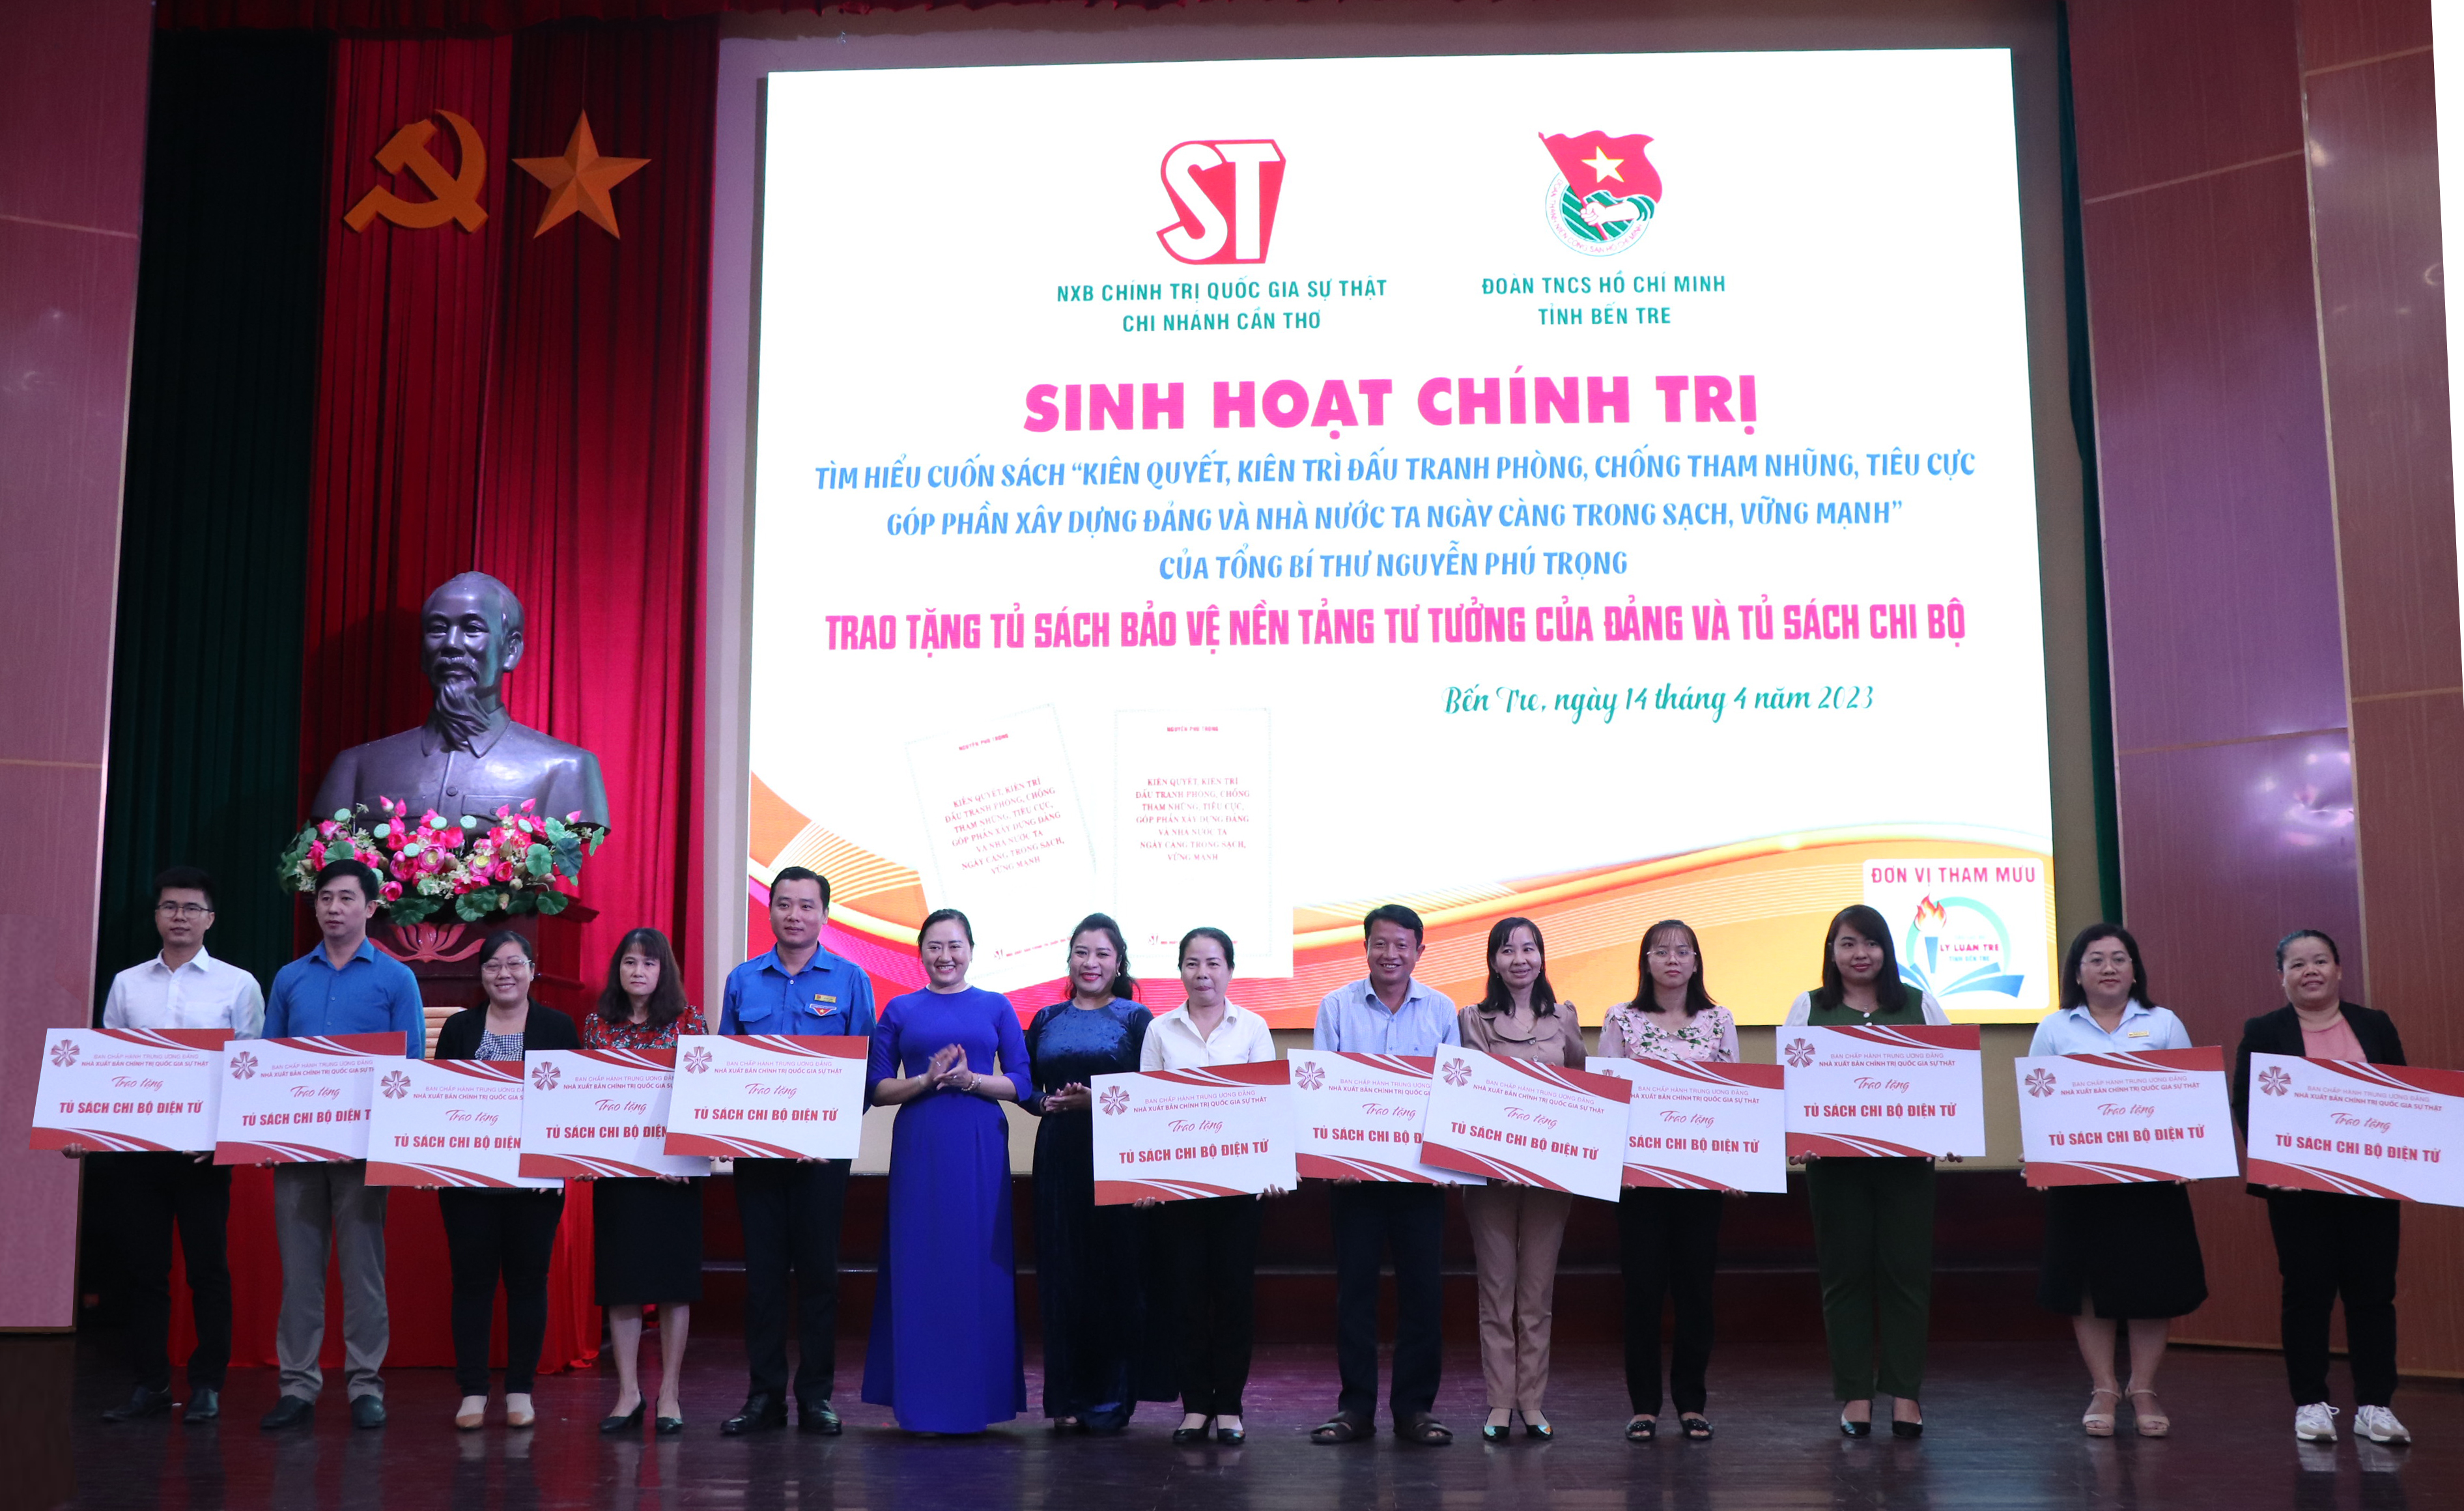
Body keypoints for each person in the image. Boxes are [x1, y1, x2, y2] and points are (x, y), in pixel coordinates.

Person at [70, 866, 264, 1424]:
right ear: (156, 916)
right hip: (137, 1155)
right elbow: (107, 1065)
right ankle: (150, 1384)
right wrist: (81, 1127)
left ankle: (207, 1385)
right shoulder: (127, 984)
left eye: (191, 908)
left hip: (201, 1155)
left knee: (208, 1271)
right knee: (143, 1272)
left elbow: (250, 1069)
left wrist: (223, 1138)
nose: (180, 917)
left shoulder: (238, 984)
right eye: (170, 907)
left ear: (210, 919)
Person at [257, 857, 426, 1432]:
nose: (333, 908)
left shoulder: (396, 979)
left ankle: (365, 1386)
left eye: (346, 898)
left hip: (362, 1151)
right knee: (300, 1274)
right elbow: (269, 1060)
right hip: (297, 1150)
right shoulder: (290, 978)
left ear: (371, 908)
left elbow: (408, 1067)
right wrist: (264, 1132)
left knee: (363, 1272)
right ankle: (297, 1386)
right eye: (325, 898)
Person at [2232, 929, 2411, 1447]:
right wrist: (2271, 1161)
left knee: (2373, 1295)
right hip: (2298, 1191)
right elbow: (2245, 1101)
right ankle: (2310, 1404)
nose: (2309, 971)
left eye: (2319, 961)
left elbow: (2402, 1095)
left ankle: (2375, 1406)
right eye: (2296, 964)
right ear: (2281, 977)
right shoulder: (2264, 1030)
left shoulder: (2374, 1025)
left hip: (2369, 1187)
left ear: (2338, 969)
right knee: (2306, 1294)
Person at [2028, 923, 2205, 1439]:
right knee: (2087, 1284)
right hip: (2079, 1181)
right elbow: (2036, 1101)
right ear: (2076, 973)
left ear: (2134, 971)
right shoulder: (2054, 1028)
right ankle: (2103, 1388)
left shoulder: (2163, 1023)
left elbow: (2189, 1098)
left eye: (2118, 959)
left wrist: (2191, 1154)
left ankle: (2143, 1388)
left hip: (2152, 1182)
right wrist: (2039, 1156)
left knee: (2153, 1282)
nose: (2108, 968)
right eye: (2096, 959)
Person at [716, 866, 876, 1435]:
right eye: (784, 904)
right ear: (770, 911)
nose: (794, 915)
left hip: (822, 1161)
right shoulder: (743, 980)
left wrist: (825, 1133)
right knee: (762, 1279)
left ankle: (815, 1397)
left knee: (817, 1277)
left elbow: (865, 1069)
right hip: (757, 1158)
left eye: (807, 906)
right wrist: (732, 1133)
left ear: (825, 916)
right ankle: (763, 1397)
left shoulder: (852, 979)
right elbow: (726, 1070)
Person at [1783, 903, 1949, 1439]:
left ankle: (1905, 1393)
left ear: (1886, 950)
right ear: (1831, 952)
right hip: (1834, 1170)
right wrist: (1796, 1136)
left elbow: (1950, 1075)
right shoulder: (1809, 1006)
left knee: (1906, 1277)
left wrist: (1953, 1131)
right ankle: (1855, 1393)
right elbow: (1790, 1082)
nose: (1860, 954)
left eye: (1870, 943)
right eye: (1848, 943)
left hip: (1905, 1168)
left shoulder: (1920, 1004)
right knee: (1844, 1276)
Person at [862, 908, 1032, 1433]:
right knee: (919, 1261)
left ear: (971, 950)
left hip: (979, 1143)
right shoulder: (899, 1008)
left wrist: (968, 1080)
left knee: (976, 1262)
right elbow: (877, 1088)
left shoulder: (996, 1005)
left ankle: (976, 1401)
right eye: (935, 946)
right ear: (920, 953)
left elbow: (1022, 1083)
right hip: (920, 1143)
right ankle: (921, 1402)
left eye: (955, 946)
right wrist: (926, 1081)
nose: (945, 956)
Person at [1309, 903, 1460, 1448]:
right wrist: (1332, 1160)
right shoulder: (1336, 1006)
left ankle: (1415, 1410)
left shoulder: (1441, 1009)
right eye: (1380, 943)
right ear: (1365, 947)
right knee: (1355, 1295)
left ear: (1419, 951)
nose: (1389, 954)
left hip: (1420, 1181)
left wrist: (1448, 1162)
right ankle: (1355, 1409)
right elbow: (1320, 1089)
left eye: (1401, 945)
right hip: (1354, 1183)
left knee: (1422, 1295)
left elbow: (1453, 1094)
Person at [1023, 914, 1167, 1433]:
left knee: (1114, 1275)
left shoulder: (1137, 1019)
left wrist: (1099, 1100)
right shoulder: (1045, 1018)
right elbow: (1024, 1086)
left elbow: (1153, 1092)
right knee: (1062, 1275)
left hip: (1118, 1155)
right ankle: (1065, 1399)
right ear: (1069, 959)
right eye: (1081, 952)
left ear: (1118, 962)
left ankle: (1109, 1401)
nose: (1091, 963)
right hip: (1058, 1155)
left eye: (1102, 954)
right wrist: (1043, 1103)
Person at [431, 930, 578, 1430]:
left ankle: (520, 1390)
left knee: (527, 1284)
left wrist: (553, 1162)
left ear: (533, 970)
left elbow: (569, 1106)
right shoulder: (459, 1029)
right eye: (493, 965)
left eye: (515, 964)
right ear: (482, 974)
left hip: (535, 1186)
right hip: (467, 1185)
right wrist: (427, 1161)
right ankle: (473, 1391)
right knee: (471, 1285)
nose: (504, 974)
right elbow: (439, 1102)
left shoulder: (557, 1027)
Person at [1598, 919, 1738, 1443]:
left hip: (1699, 1183)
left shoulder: (1719, 1020)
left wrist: (1736, 1168)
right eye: (1661, 951)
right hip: (1638, 1185)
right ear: (1646, 962)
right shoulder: (1621, 1018)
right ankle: (1644, 1406)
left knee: (1695, 1293)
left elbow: (1735, 1099)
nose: (1672, 959)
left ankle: (1690, 1402)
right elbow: (1607, 1096)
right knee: (1642, 1292)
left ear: (1697, 962)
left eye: (1683, 951)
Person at [1141, 925, 1280, 1445]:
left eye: (1213, 963)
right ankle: (1196, 1405)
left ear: (1230, 970)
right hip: (1178, 1190)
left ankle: (1230, 1407)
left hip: (1239, 1191)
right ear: (1180, 970)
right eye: (1192, 963)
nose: (1203, 973)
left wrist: (1271, 1169)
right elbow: (1145, 1109)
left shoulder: (1253, 1027)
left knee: (1233, 1295)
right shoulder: (1160, 1030)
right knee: (1185, 1297)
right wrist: (1145, 1179)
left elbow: (1268, 1103)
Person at [1456, 916, 1584, 1443]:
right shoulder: (1472, 1018)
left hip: (1550, 1179)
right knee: (1496, 1291)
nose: (1519, 960)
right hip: (1491, 1179)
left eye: (1528, 949)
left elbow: (1581, 1090)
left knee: (1535, 1293)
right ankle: (1499, 1403)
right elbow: (1472, 1091)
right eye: (1507, 950)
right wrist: (1503, 1157)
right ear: (1493, 961)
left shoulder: (1564, 1016)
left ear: (1541, 957)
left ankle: (1531, 1401)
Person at [580, 927, 708, 1436]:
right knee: (623, 1285)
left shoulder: (690, 1022)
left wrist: (688, 1152)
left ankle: (669, 1392)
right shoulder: (597, 1025)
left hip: (675, 1176)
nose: (638, 971)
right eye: (630, 962)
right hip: (620, 1178)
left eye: (649, 963)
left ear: (664, 970)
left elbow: (702, 1099)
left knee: (675, 1286)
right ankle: (628, 1393)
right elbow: (587, 1102)